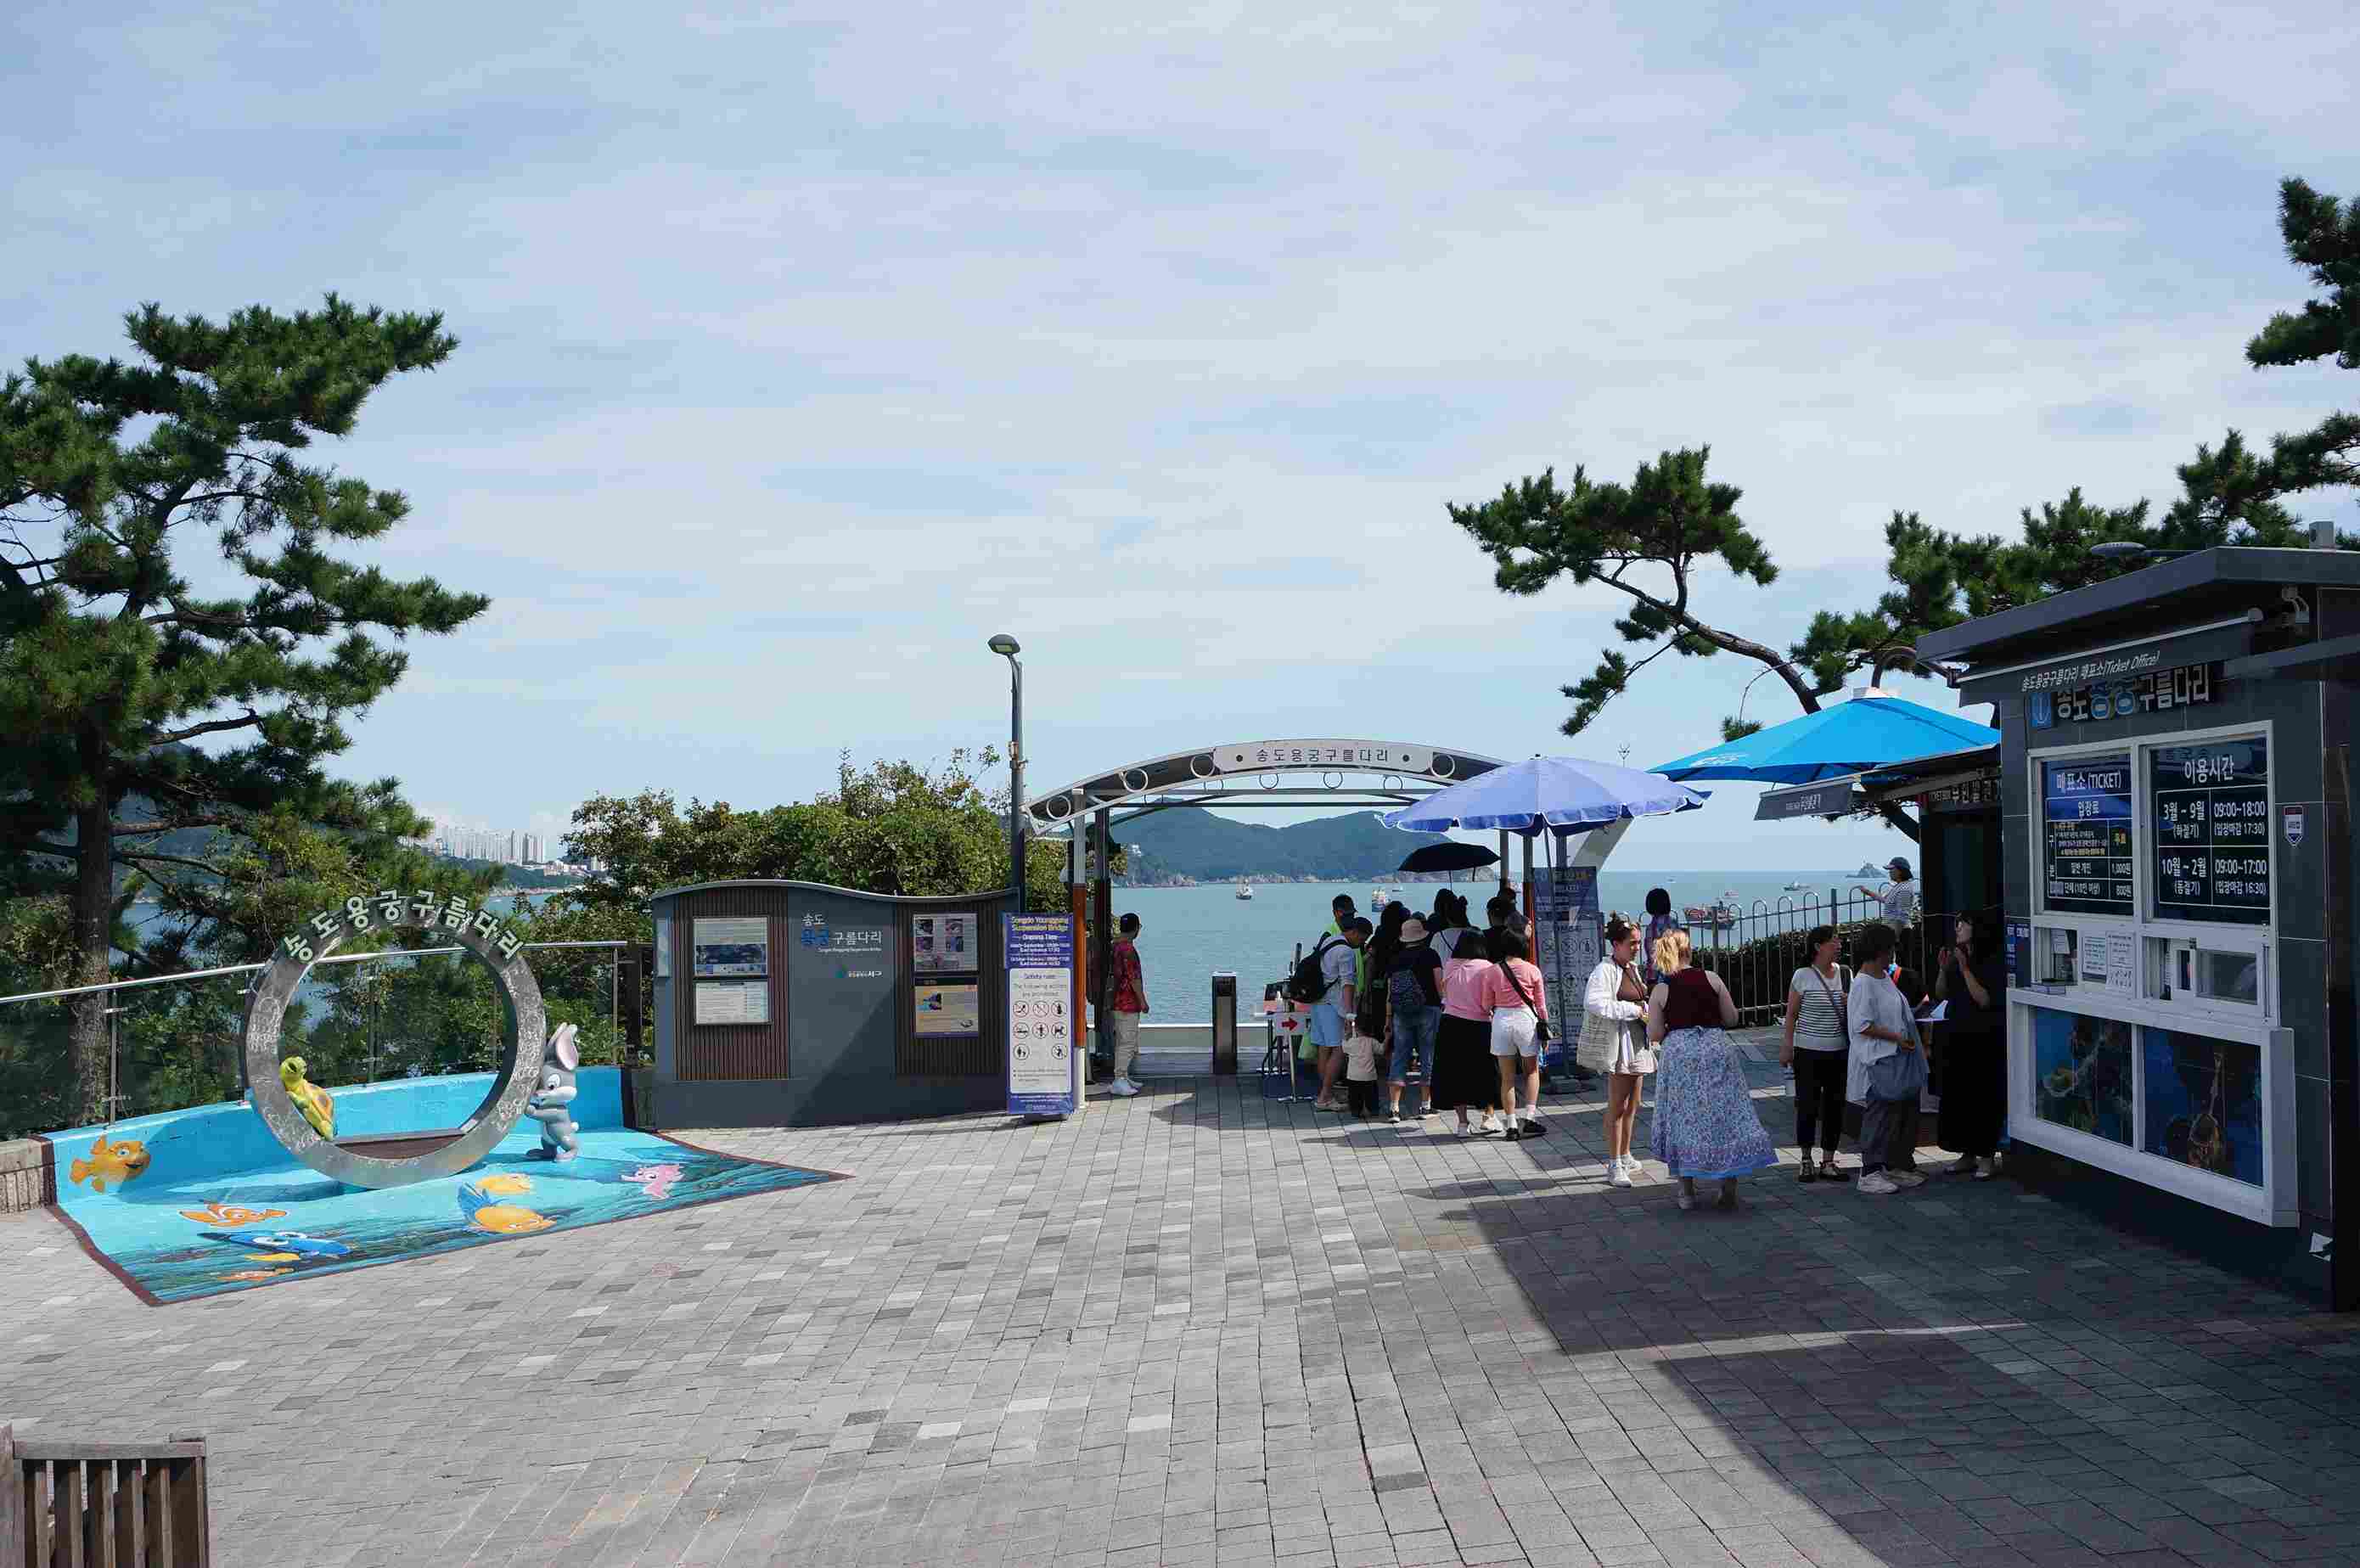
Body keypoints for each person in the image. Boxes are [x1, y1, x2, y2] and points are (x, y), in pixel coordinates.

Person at [1648, 929, 1778, 1211]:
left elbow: (1655, 1033)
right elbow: (1731, 1018)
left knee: (1683, 1116)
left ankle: (1686, 1191)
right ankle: (1728, 1183)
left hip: (1681, 1053)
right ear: (1688, 951)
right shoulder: (1712, 978)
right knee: (1725, 1111)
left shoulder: (1661, 989)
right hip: (1716, 1047)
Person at [1846, 921, 1926, 1196]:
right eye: (1890, 947)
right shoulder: (1864, 983)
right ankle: (1869, 1171)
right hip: (1878, 1060)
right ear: (1880, 950)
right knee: (1879, 1115)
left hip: (1894, 1057)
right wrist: (1896, 1037)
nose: (1893, 953)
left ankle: (1892, 1165)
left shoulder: (1881, 978)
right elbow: (1862, 1025)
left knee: (1896, 1113)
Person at [1580, 914, 1652, 1187]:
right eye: (1632, 943)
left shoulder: (1631, 967)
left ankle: (1625, 1153)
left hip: (1637, 1041)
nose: (1636, 947)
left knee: (1633, 1103)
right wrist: (1633, 1010)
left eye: (1637, 942)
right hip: (1621, 1044)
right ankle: (1614, 1163)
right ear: (1616, 944)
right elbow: (1595, 1003)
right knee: (1617, 1106)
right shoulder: (1605, 970)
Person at [1935, 912, 2007, 1179]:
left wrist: (1965, 969)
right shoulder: (1956, 956)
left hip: (1984, 1037)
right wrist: (1944, 968)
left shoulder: (1990, 960)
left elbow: (1985, 1000)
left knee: (1983, 1097)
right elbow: (1941, 993)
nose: (1957, 927)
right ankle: (1965, 1154)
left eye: (1963, 923)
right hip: (1957, 1034)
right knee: (1959, 1097)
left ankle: (1986, 1156)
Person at [1779, 925, 1850, 1182]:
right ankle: (1806, 1159)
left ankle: (1829, 1161)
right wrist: (1787, 1045)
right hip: (1808, 1051)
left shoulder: (1845, 974)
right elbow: (1791, 1014)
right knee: (1807, 1105)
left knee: (1835, 1106)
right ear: (1818, 946)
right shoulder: (1802, 975)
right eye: (1834, 940)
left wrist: (1848, 1001)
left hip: (1838, 1050)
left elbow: (1854, 1013)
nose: (1839, 944)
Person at [1434, 927, 1503, 1135]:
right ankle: (1489, 1116)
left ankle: (1462, 1124)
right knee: (1487, 1072)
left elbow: (1445, 994)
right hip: (1480, 1024)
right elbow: (1488, 1003)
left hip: (1450, 1024)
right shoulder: (1488, 968)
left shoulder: (1450, 966)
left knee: (1456, 1074)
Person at [1481, 929, 1550, 1141]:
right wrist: (1545, 1031)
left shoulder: (1492, 971)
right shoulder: (1533, 970)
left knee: (1507, 1078)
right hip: (1526, 1021)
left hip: (1501, 1021)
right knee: (1531, 1072)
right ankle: (1529, 1118)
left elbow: (1485, 1005)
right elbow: (1541, 1005)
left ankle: (1510, 1124)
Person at [1383, 916, 1445, 1125]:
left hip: (1401, 1013)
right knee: (1428, 1055)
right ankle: (1425, 1106)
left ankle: (1394, 1109)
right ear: (1422, 935)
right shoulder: (1431, 955)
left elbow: (1390, 993)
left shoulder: (1395, 959)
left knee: (1400, 1055)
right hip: (1429, 1009)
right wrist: (1444, 1003)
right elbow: (1439, 985)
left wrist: (1388, 1018)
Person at [1312, 918, 1370, 1111]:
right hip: (1334, 1006)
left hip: (1318, 1003)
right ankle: (1324, 1097)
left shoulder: (1329, 941)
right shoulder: (1346, 952)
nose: (1362, 943)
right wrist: (1349, 1015)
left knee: (1323, 1049)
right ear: (1354, 932)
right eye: (1363, 938)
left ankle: (1327, 1092)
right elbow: (1347, 984)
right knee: (1339, 1050)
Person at [1104, 912, 1148, 1098]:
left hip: (1116, 1000)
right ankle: (1119, 1079)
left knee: (1123, 1040)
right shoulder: (1128, 949)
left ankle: (1123, 1076)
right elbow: (1134, 978)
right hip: (1127, 1002)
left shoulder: (1115, 946)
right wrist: (1143, 1001)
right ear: (1136, 928)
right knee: (1127, 1042)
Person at [1856, 857, 1918, 926]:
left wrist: (1894, 935)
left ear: (1900, 871)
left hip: (1899, 931)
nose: (1889, 872)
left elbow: (1902, 916)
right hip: (1892, 929)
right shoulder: (1900, 886)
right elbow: (1886, 900)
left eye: (1891, 869)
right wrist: (1868, 892)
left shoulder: (1904, 890)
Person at [1640, 888, 1681, 988]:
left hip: (1659, 975)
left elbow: (1652, 953)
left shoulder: (1652, 927)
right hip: (1676, 970)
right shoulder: (1674, 923)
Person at [1342, 1026, 1381, 1116]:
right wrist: (1387, 1038)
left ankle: (1356, 1110)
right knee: (1371, 1095)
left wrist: (1345, 1036)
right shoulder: (1372, 1041)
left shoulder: (1352, 1042)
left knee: (1354, 1095)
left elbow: (1344, 1048)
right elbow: (1381, 1050)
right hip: (1370, 1076)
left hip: (1353, 1076)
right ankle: (1373, 1109)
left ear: (1356, 1030)